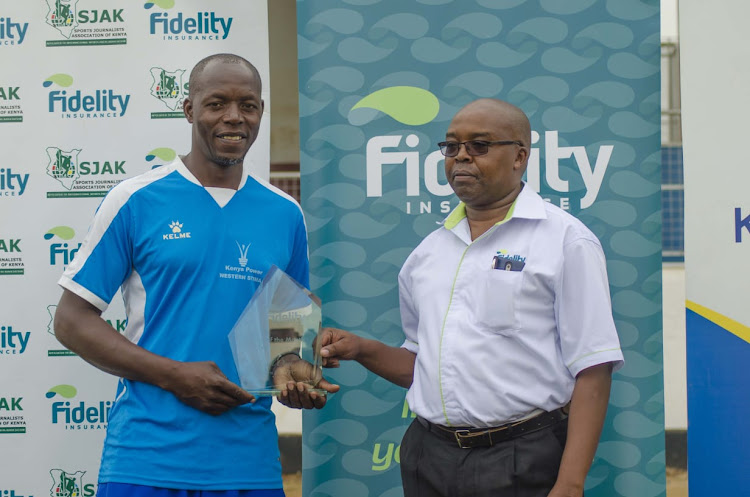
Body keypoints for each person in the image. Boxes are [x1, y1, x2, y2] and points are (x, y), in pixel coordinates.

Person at [54, 53, 338, 497]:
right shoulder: (135, 199)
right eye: (217, 103)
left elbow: (286, 338)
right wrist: (174, 375)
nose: (234, 117)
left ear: (261, 112)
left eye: (248, 105)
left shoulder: (285, 214)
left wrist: (296, 374)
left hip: (250, 463)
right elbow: (71, 321)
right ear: (189, 109)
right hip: (146, 459)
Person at [320, 98, 624, 497]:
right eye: (451, 146)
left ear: (519, 157)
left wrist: (569, 483)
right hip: (427, 457)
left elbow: (593, 368)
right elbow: (424, 367)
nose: (461, 156)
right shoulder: (427, 254)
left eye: (479, 145)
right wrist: (361, 348)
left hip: (523, 458)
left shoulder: (567, 241)